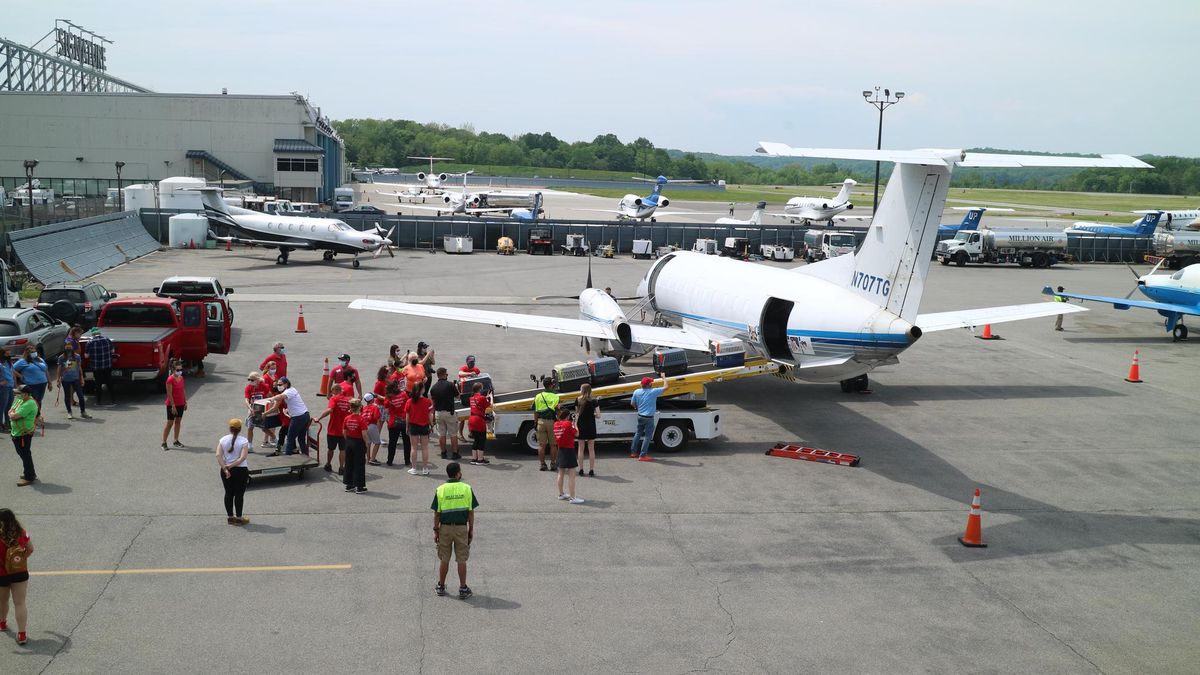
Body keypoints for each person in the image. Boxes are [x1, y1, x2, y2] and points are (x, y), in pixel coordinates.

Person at [431, 462, 477, 599]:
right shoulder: (467, 488)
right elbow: (471, 512)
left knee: (444, 558)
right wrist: (471, 530)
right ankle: (463, 588)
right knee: (461, 559)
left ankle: (441, 586)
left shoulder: (440, 490)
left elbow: (437, 514)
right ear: (457, 473)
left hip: (445, 528)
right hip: (461, 528)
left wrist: (436, 530)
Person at [0, 508, 33, 645]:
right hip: (20, 572)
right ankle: (22, 634)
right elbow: (30, 549)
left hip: (2, 574)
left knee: (2, 601)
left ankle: (2, 623)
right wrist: (21, 560)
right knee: (20, 603)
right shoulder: (22, 533)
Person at [215, 419, 251, 525]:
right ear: (240, 429)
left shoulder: (223, 440)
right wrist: (232, 465)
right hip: (240, 470)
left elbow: (218, 455)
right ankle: (239, 519)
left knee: (228, 493)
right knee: (239, 494)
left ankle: (230, 517)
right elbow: (242, 457)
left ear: (230, 428)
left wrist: (226, 469)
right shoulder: (244, 441)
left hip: (225, 470)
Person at [265, 377, 310, 457]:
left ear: (286, 384)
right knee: (301, 439)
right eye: (277, 385)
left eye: (280, 384)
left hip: (298, 417)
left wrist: (272, 399)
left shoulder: (288, 391)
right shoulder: (291, 390)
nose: (278, 386)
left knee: (290, 439)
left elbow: (281, 397)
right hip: (304, 416)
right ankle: (305, 455)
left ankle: (288, 459)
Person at [630, 373, 667, 462]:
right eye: (651, 382)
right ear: (649, 384)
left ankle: (633, 452)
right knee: (647, 436)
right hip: (649, 418)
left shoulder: (636, 391)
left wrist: (637, 408)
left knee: (638, 433)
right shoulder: (653, 392)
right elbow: (666, 387)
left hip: (640, 416)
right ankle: (642, 455)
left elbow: (632, 403)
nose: (652, 383)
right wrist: (664, 377)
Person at [314, 385, 351, 472]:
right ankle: (342, 468)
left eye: (332, 390)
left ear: (336, 390)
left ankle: (328, 464)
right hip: (344, 430)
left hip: (333, 430)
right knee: (343, 450)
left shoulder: (334, 399)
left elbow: (330, 410)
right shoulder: (348, 400)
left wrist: (319, 418)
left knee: (331, 449)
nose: (331, 392)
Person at [553, 408, 584, 504]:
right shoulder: (568, 424)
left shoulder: (556, 424)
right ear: (567, 416)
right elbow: (577, 434)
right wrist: (575, 423)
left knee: (560, 473)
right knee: (572, 475)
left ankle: (561, 494)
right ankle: (573, 497)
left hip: (560, 450)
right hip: (569, 450)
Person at [12, 346, 50, 423]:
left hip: (42, 384)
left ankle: (37, 416)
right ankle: (34, 418)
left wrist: (49, 382)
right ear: (27, 353)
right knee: (34, 401)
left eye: (34, 351)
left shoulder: (40, 359)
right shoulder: (23, 361)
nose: (34, 353)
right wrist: (21, 376)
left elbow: (46, 370)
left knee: (39, 400)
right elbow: (12, 369)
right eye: (32, 352)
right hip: (32, 385)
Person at [9, 386, 37, 486]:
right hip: (17, 433)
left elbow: (13, 415)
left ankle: (29, 477)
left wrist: (12, 415)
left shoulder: (29, 403)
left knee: (25, 455)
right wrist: (12, 414)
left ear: (25, 394)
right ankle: (31, 473)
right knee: (23, 454)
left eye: (18, 393)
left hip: (23, 434)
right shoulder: (20, 400)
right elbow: (10, 411)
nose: (16, 395)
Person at [430, 368, 460, 461]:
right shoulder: (450, 385)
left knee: (441, 434)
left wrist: (433, 416)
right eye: (446, 374)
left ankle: (443, 452)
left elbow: (433, 403)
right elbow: (458, 396)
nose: (447, 375)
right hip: (449, 413)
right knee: (453, 434)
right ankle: (455, 453)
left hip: (439, 413)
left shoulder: (433, 388)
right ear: (443, 374)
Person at [532, 377, 560, 471]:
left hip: (541, 422)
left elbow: (535, 411)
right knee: (553, 445)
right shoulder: (555, 396)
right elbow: (557, 411)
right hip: (552, 422)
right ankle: (553, 464)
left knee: (541, 445)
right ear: (551, 385)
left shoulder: (538, 396)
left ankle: (542, 464)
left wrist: (535, 422)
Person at [56, 344, 89, 421]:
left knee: (80, 396)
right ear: (64, 348)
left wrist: (82, 378)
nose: (68, 349)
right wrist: (58, 379)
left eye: (70, 348)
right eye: (67, 348)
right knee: (67, 396)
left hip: (76, 379)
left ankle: (83, 412)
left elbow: (79, 367)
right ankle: (69, 412)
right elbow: (59, 368)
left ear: (72, 348)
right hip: (65, 380)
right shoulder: (61, 357)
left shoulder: (77, 356)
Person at [342, 399, 369, 493]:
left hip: (349, 442)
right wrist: (366, 443)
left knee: (349, 463)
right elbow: (364, 434)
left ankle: (349, 485)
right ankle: (359, 486)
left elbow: (344, 432)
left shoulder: (347, 418)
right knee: (359, 464)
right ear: (360, 407)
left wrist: (348, 440)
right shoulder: (361, 419)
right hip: (358, 443)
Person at [84, 327, 116, 406]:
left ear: (92, 334)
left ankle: (99, 401)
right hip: (107, 365)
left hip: (96, 367)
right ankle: (113, 400)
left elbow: (86, 356)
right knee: (109, 382)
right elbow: (112, 351)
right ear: (100, 333)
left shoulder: (90, 342)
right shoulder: (107, 340)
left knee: (98, 383)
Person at [406, 388, 434, 475]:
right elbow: (430, 414)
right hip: (424, 426)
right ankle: (425, 468)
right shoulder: (428, 401)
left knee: (413, 447)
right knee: (425, 447)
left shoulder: (409, 401)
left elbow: (407, 415)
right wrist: (432, 424)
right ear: (422, 390)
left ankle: (414, 468)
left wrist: (407, 427)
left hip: (413, 426)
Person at [575, 383, 600, 477]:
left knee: (580, 449)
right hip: (591, 426)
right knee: (591, 449)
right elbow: (598, 415)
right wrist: (592, 414)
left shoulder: (578, 399)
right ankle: (591, 470)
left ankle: (581, 469)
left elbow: (577, 413)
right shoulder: (594, 401)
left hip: (581, 426)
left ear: (582, 390)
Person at [161, 359, 186, 450]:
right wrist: (173, 406)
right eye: (178, 370)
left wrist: (185, 401)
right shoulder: (170, 379)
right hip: (172, 405)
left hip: (181, 403)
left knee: (178, 422)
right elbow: (169, 394)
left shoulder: (182, 378)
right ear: (173, 369)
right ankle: (164, 442)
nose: (180, 372)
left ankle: (176, 440)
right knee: (170, 423)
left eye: (181, 370)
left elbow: (183, 390)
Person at [384, 381, 410, 467]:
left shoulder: (388, 399)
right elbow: (408, 407)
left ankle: (390, 460)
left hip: (393, 422)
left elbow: (387, 411)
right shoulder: (404, 394)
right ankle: (407, 460)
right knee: (406, 442)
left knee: (392, 442)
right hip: (404, 421)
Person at [466, 383, 491, 466]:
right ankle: (480, 460)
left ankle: (474, 458)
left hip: (472, 419)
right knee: (482, 440)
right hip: (479, 420)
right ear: (480, 389)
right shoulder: (482, 398)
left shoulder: (471, 398)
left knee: (476, 439)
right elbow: (488, 405)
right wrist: (489, 397)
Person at [456, 356, 481, 440]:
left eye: (473, 362)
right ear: (467, 362)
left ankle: (471, 432)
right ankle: (460, 434)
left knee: (472, 415)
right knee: (463, 417)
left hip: (473, 396)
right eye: (470, 362)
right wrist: (470, 374)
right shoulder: (464, 368)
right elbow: (460, 373)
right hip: (464, 395)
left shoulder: (476, 370)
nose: (472, 363)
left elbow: (479, 377)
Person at [243, 371, 270, 447]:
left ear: (257, 380)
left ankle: (274, 438)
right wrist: (250, 408)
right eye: (249, 380)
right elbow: (246, 400)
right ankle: (249, 445)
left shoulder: (264, 386)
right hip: (252, 410)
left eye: (252, 380)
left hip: (263, 410)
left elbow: (270, 396)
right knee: (250, 427)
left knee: (264, 428)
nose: (250, 382)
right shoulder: (248, 388)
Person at [362, 392, 384, 466]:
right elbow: (377, 418)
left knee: (368, 443)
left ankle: (368, 459)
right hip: (372, 425)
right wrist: (377, 428)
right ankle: (372, 459)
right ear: (372, 399)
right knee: (377, 443)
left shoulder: (364, 408)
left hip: (365, 426)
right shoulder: (375, 407)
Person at [0, 353, 13, 433]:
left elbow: (12, 374)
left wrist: (15, 385)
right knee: (2, 407)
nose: (8, 354)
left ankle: (7, 423)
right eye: (6, 353)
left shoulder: (9, 363)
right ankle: (0, 425)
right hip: (3, 388)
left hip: (10, 387)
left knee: (9, 407)